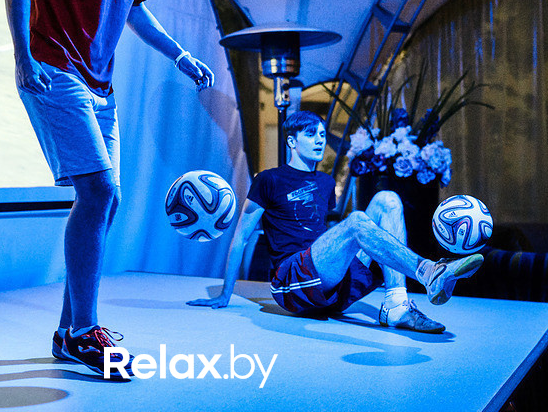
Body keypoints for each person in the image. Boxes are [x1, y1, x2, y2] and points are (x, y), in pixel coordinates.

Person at [3, 0, 213, 378]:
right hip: (54, 69)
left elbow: (135, 11)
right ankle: (83, 332)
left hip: (101, 87)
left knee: (107, 199)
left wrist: (181, 56)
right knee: (98, 192)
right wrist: (23, 56)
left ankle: (69, 332)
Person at [187, 111, 483, 334]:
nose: (320, 139)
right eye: (311, 134)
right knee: (356, 221)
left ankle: (396, 305)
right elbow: (241, 236)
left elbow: (323, 234)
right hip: (292, 282)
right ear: (291, 141)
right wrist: (225, 293)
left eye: (321, 134)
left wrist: (351, 248)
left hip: (329, 281)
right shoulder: (268, 180)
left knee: (388, 199)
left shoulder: (326, 182)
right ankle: (429, 272)